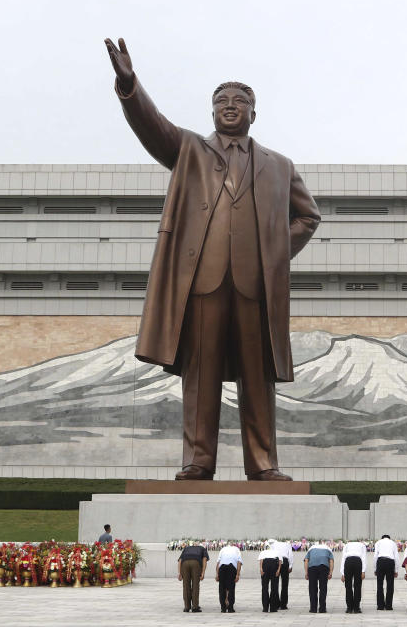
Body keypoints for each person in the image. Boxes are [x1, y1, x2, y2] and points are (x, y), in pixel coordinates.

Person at [103, 38, 320, 482]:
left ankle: (263, 464)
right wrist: (130, 85)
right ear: (212, 111)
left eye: (241, 100)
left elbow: (308, 217)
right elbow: (152, 126)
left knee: (258, 378)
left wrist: (274, 254)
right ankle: (198, 461)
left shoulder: (279, 165)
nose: (230, 105)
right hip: (202, 282)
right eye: (221, 100)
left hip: (255, 287)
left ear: (254, 114)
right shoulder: (189, 151)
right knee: (200, 377)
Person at [177, 541, 208, 613]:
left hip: (185, 563)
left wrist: (179, 573)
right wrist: (203, 573)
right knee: (195, 585)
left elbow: (180, 560)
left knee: (186, 585)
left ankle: (187, 607)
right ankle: (195, 607)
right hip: (196, 563)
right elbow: (204, 559)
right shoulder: (202, 548)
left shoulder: (186, 548)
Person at [304, 542, 334, 614]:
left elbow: (306, 560)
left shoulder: (311, 549)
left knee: (312, 588)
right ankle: (322, 608)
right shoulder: (328, 549)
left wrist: (306, 573)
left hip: (312, 567)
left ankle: (313, 608)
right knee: (323, 588)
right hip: (324, 567)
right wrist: (330, 572)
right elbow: (331, 561)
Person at [340, 540, 366, 613]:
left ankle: (349, 608)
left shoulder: (347, 545)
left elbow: (343, 558)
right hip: (358, 561)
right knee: (357, 585)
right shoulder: (362, 545)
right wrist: (363, 571)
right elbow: (363, 558)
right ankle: (356, 608)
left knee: (348, 586)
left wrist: (343, 573)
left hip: (348, 562)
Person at [373, 534, 399, 610]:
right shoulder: (393, 543)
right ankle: (388, 606)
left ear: (382, 538)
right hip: (390, 562)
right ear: (389, 538)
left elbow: (375, 556)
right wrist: (396, 570)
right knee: (390, 585)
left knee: (380, 584)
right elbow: (396, 556)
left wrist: (375, 568)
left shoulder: (378, 542)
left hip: (380, 561)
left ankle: (380, 606)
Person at [215, 543, 242, 613]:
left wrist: (217, 574)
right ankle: (230, 608)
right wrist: (237, 575)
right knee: (231, 588)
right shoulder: (237, 550)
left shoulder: (223, 549)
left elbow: (218, 562)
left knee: (222, 588)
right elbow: (239, 562)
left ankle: (223, 608)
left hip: (222, 568)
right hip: (231, 568)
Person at [270, 539, 294, 610]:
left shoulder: (273, 545)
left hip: (276, 561)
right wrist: (290, 565)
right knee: (285, 584)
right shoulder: (287, 544)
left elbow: (271, 554)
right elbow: (290, 555)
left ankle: (275, 603)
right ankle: (283, 605)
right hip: (284, 561)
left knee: (275, 583)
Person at [258, 542, 282, 612]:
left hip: (266, 565)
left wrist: (261, 569)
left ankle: (266, 608)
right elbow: (280, 562)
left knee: (265, 587)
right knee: (273, 587)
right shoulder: (277, 552)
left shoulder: (263, 552)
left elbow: (261, 560)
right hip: (274, 564)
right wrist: (278, 570)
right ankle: (272, 608)